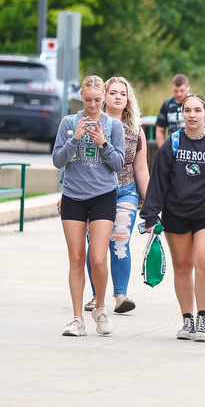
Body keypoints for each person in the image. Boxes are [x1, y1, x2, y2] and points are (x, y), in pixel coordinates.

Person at [141, 94, 205, 342]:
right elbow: (158, 182)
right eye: (187, 110)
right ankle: (187, 319)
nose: (192, 115)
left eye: (197, 110)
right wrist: (150, 215)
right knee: (182, 266)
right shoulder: (172, 143)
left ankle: (202, 317)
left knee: (204, 260)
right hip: (177, 213)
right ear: (182, 114)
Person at [53, 75, 125, 336]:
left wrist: (102, 142)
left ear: (105, 98)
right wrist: (75, 139)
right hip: (73, 195)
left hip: (103, 195)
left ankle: (101, 308)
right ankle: (76, 318)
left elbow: (118, 164)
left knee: (97, 258)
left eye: (97, 100)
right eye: (88, 100)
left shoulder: (114, 125)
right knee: (76, 258)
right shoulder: (69, 123)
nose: (93, 105)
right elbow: (57, 160)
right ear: (81, 98)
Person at [83, 77, 149, 314]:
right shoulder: (90, 125)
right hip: (94, 192)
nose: (118, 97)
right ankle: (95, 295)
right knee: (97, 245)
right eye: (113, 93)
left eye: (123, 93)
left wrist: (150, 204)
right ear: (103, 97)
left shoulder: (136, 131)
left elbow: (141, 169)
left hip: (125, 191)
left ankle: (121, 295)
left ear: (128, 99)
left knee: (120, 239)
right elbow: (77, 164)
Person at [155, 74, 205, 147]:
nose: (179, 94)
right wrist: (163, 150)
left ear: (188, 87)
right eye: (176, 91)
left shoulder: (197, 102)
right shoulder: (167, 104)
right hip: (173, 146)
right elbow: (160, 130)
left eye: (182, 90)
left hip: (194, 146)